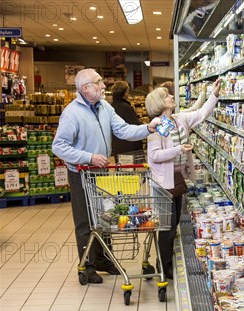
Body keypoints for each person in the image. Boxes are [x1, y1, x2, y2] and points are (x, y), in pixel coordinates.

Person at [53, 68, 161, 284]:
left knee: (106, 216)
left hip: (102, 173)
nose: (104, 86)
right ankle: (87, 265)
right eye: (98, 82)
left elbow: (123, 130)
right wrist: (88, 157)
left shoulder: (105, 107)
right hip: (82, 174)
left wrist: (148, 128)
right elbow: (59, 146)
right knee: (85, 222)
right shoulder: (72, 114)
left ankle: (103, 259)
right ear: (85, 88)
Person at [145, 78, 222, 279]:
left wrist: (213, 94)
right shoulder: (158, 126)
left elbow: (201, 113)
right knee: (167, 226)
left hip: (177, 179)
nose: (172, 96)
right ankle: (164, 265)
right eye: (166, 96)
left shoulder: (179, 120)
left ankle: (165, 260)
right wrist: (178, 149)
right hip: (163, 183)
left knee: (175, 221)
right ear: (159, 104)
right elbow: (154, 156)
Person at [110, 81, 144, 156]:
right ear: (125, 93)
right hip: (130, 147)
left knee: (121, 166)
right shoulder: (126, 108)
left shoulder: (110, 107)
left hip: (117, 145)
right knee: (131, 167)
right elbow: (135, 126)